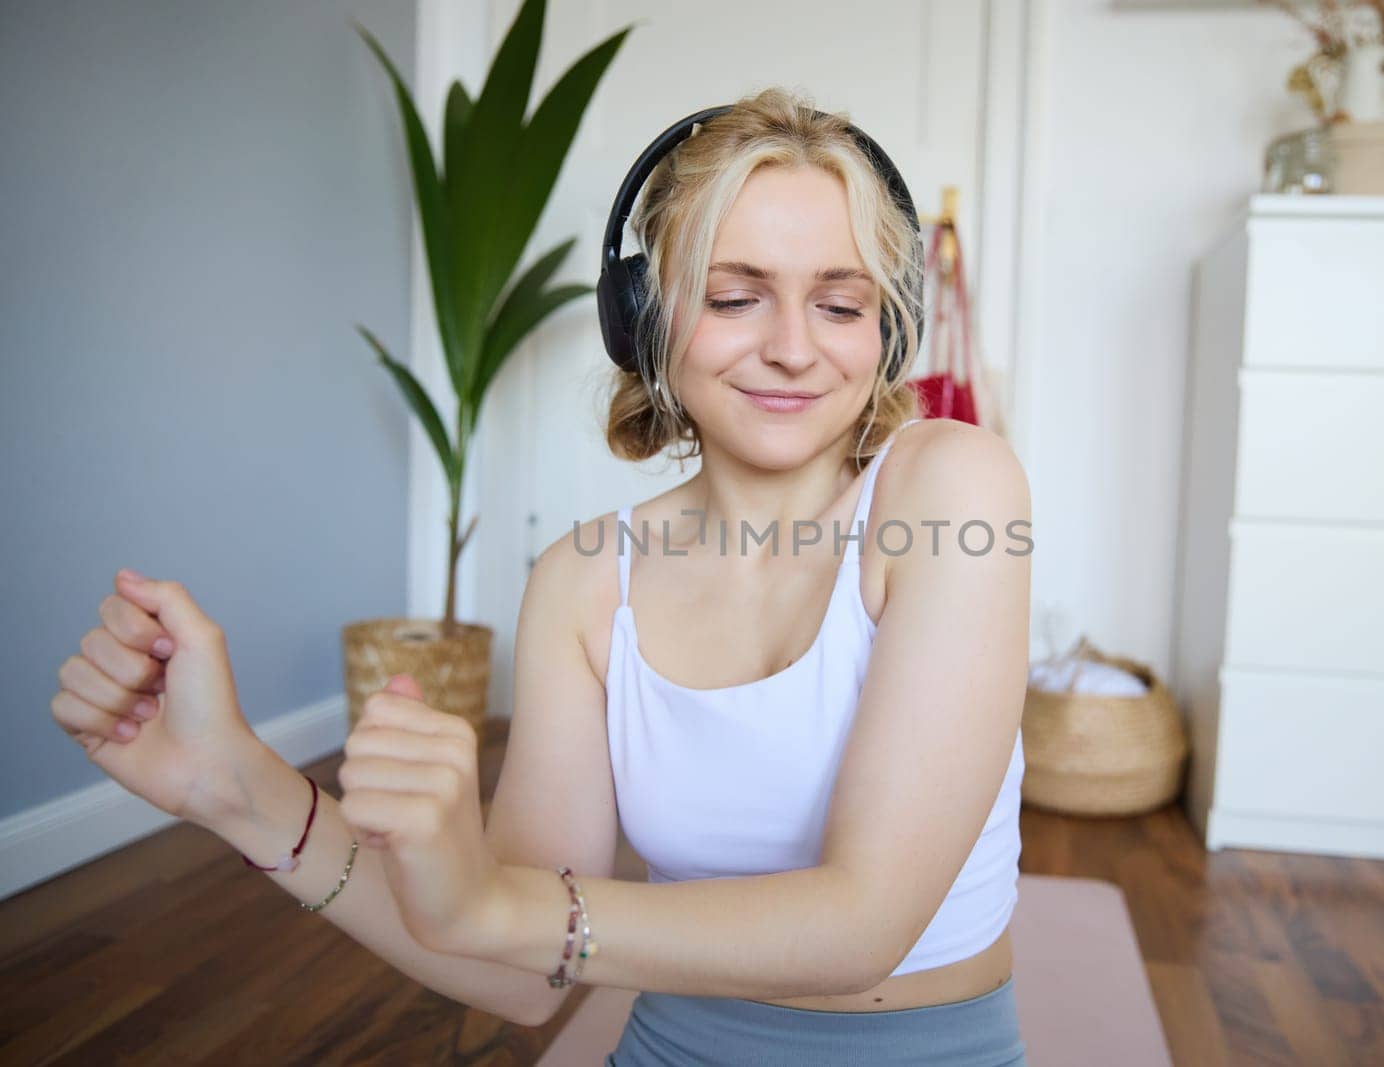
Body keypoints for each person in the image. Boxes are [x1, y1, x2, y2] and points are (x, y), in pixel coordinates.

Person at [51, 86, 1032, 1066]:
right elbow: (516, 967)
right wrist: (236, 784)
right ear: (642, 316)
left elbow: (862, 924)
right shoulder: (583, 579)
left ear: (886, 331)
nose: (791, 345)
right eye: (734, 297)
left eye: (839, 302)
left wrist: (488, 898)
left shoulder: (952, 486)